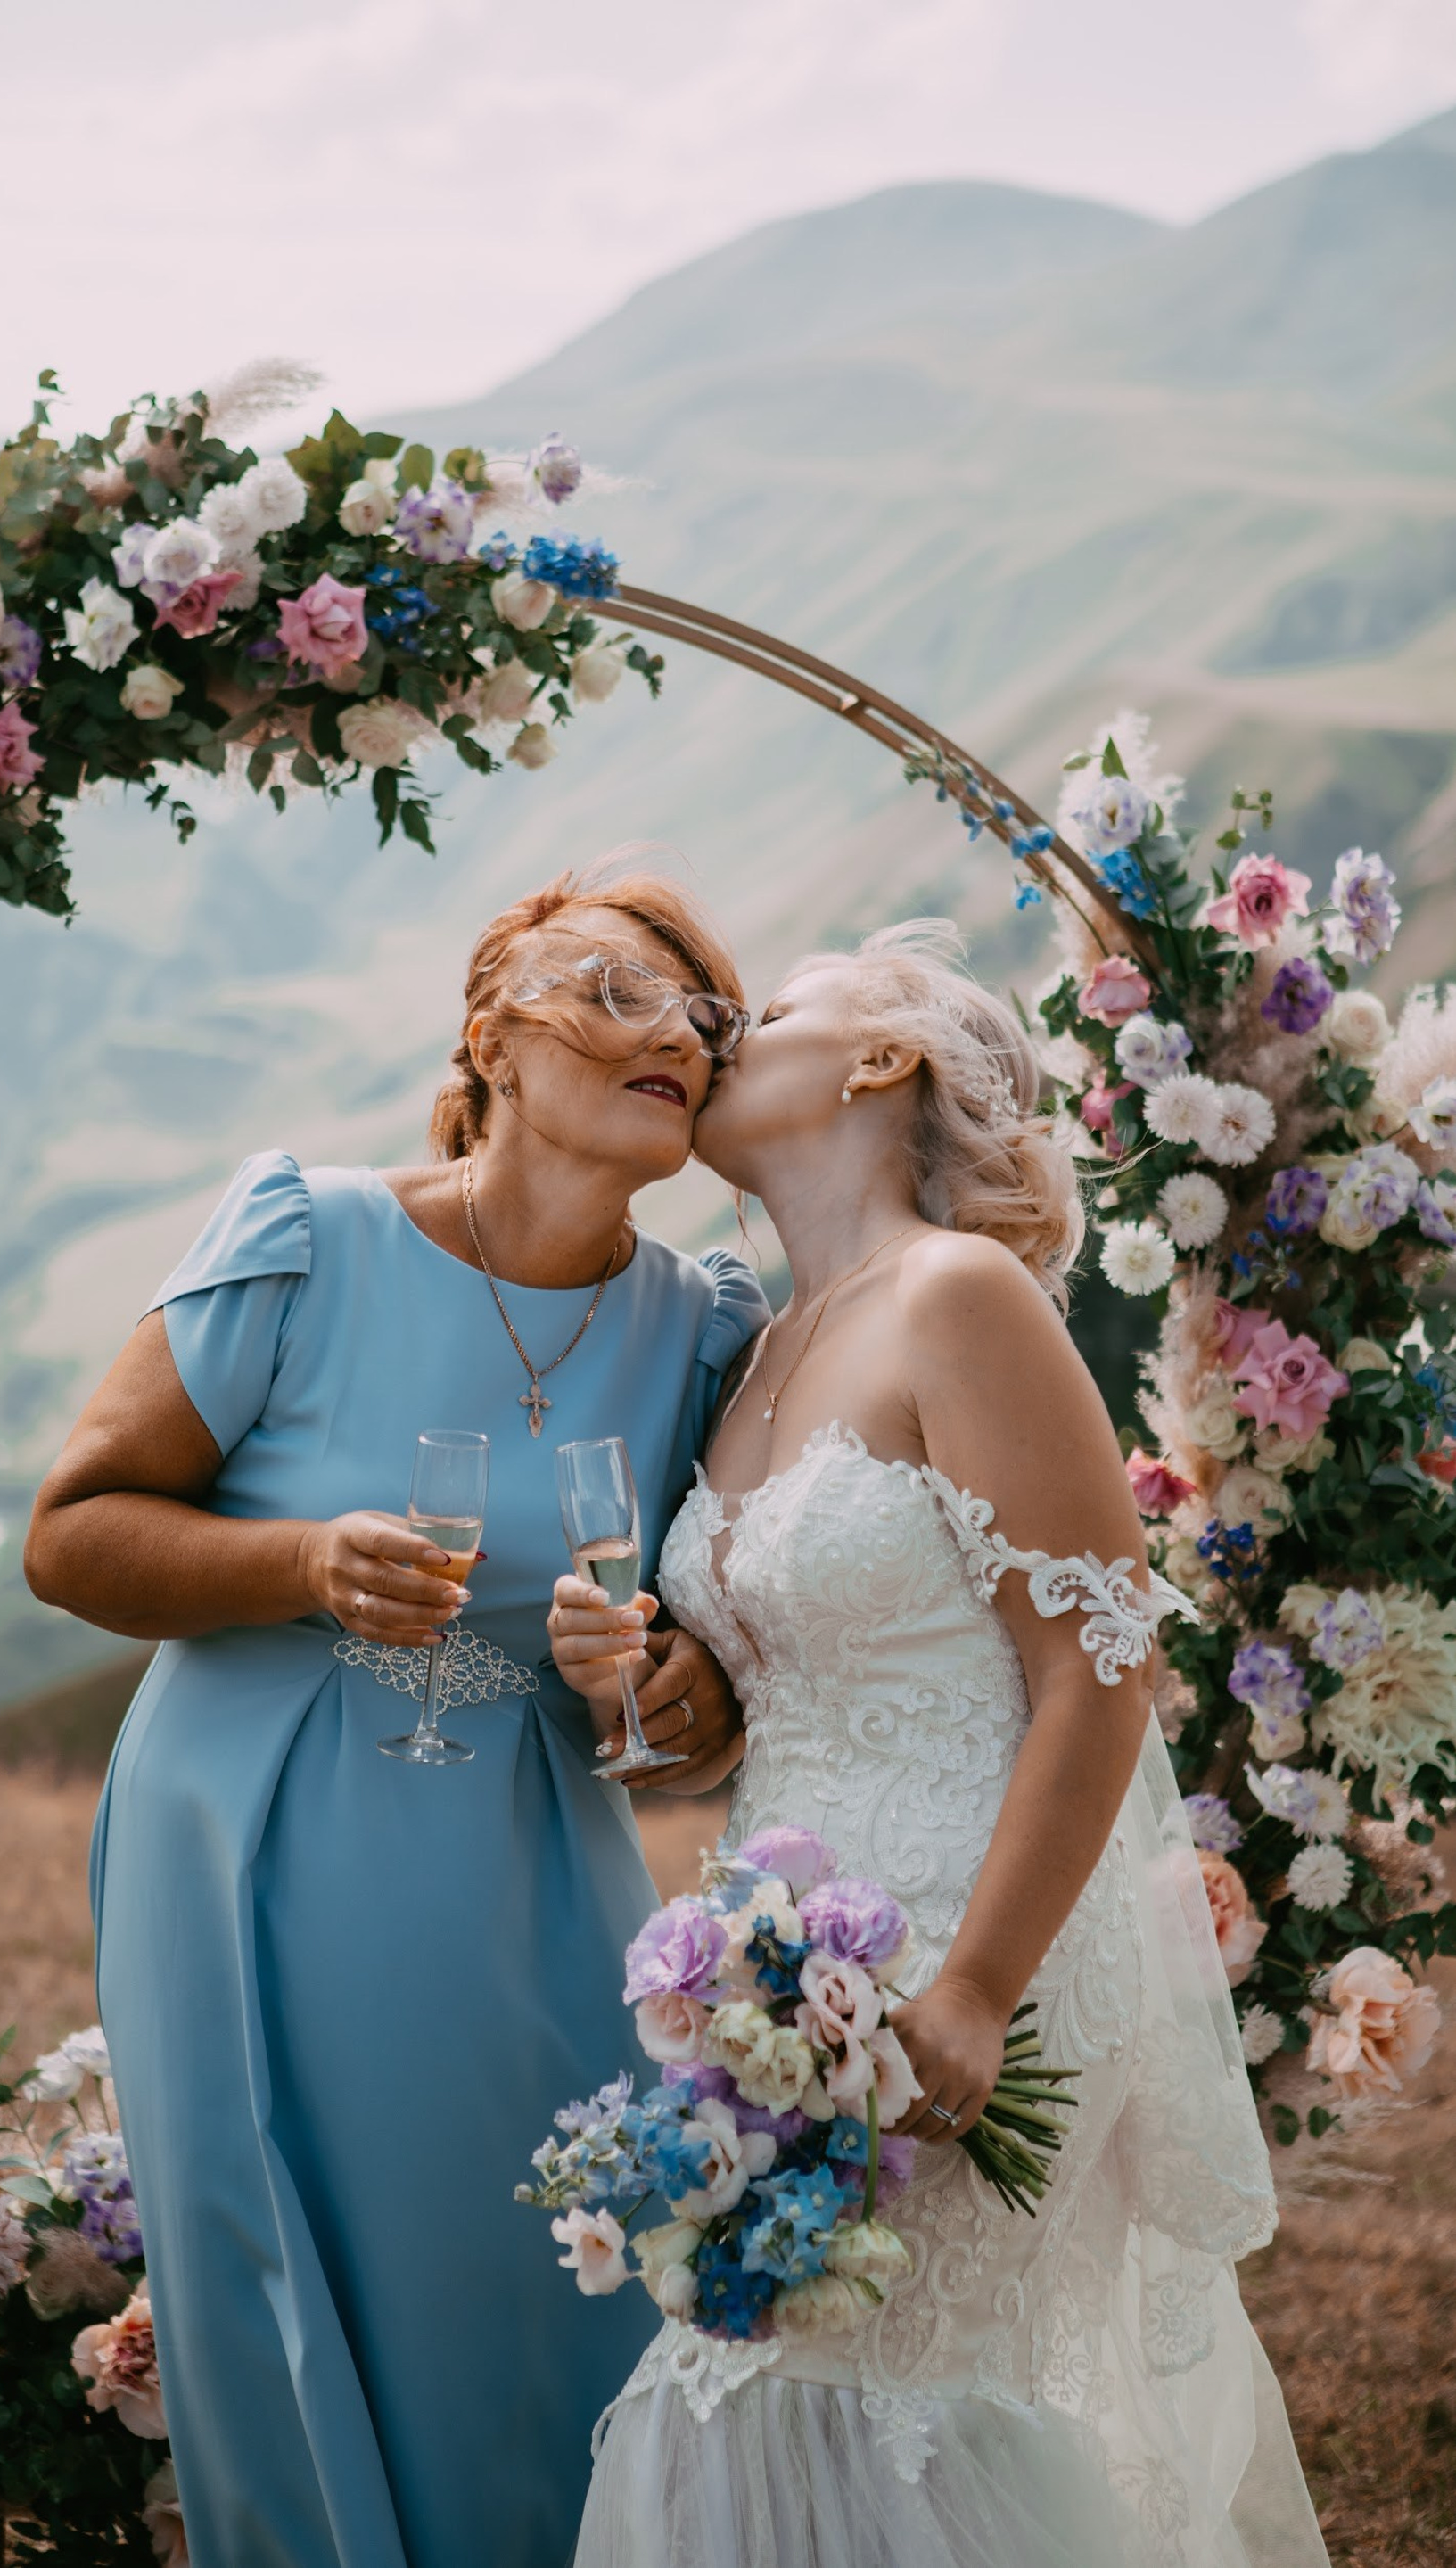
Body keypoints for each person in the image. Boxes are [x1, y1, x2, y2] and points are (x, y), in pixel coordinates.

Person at [549, 922, 1329, 2568]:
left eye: (765, 1014)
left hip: (983, 1953)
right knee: (761, 2396)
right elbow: (781, 1696)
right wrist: (662, 1695)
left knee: (912, 2408)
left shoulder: (958, 1296)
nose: (712, 1034)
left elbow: (1099, 1674)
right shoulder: (762, 1341)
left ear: (878, 1061)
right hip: (783, 1979)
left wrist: (973, 1988)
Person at [22, 862, 770, 2568]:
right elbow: (70, 1533)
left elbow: (710, 1708)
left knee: (567, 2284)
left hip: (531, 1868)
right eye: (616, 990)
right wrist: (299, 1559)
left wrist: (668, 1684)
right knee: (290, 2292)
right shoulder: (308, 1232)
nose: (674, 1035)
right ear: (493, 1029)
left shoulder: (703, 1333)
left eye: (704, 1022)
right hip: (251, 1843)